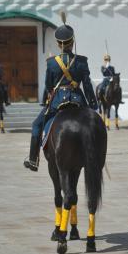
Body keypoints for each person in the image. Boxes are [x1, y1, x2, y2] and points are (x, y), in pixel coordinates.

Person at [23, 12, 98, 171]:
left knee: (36, 125)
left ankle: (33, 159)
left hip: (57, 102)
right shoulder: (82, 61)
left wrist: (45, 100)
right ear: (72, 42)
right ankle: (97, 157)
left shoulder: (51, 63)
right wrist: (93, 104)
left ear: (58, 44)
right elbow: (88, 86)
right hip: (78, 101)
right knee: (96, 125)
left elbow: (48, 86)